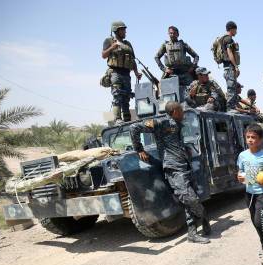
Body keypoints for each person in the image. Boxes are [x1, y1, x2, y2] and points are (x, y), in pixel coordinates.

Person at [130, 101, 211, 244]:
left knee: (188, 202)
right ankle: (204, 216)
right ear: (174, 111)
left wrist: (184, 148)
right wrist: (139, 149)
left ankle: (192, 234)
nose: (183, 112)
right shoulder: (161, 122)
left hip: (185, 166)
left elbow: (174, 143)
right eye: (181, 110)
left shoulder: (178, 124)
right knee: (189, 198)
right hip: (174, 168)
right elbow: (134, 127)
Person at [237, 124, 263, 265]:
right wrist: (240, 177)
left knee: (261, 222)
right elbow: (240, 171)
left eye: (253, 137)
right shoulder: (242, 155)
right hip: (249, 193)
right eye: (248, 137)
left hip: (262, 194)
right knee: (255, 222)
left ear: (260, 140)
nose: (250, 140)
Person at [102, 21, 142, 123]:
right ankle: (117, 119)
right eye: (123, 30)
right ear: (116, 30)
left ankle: (127, 119)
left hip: (126, 74)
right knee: (117, 96)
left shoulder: (127, 44)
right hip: (115, 72)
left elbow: (132, 60)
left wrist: (136, 73)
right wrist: (112, 48)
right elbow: (103, 55)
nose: (125, 32)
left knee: (126, 97)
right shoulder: (109, 41)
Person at [221, 21, 241, 110]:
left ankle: (232, 107)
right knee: (231, 90)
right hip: (229, 67)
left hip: (227, 68)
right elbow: (229, 52)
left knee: (232, 89)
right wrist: (235, 66)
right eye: (235, 30)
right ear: (232, 29)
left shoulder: (223, 39)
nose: (236, 32)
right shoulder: (228, 39)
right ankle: (230, 108)